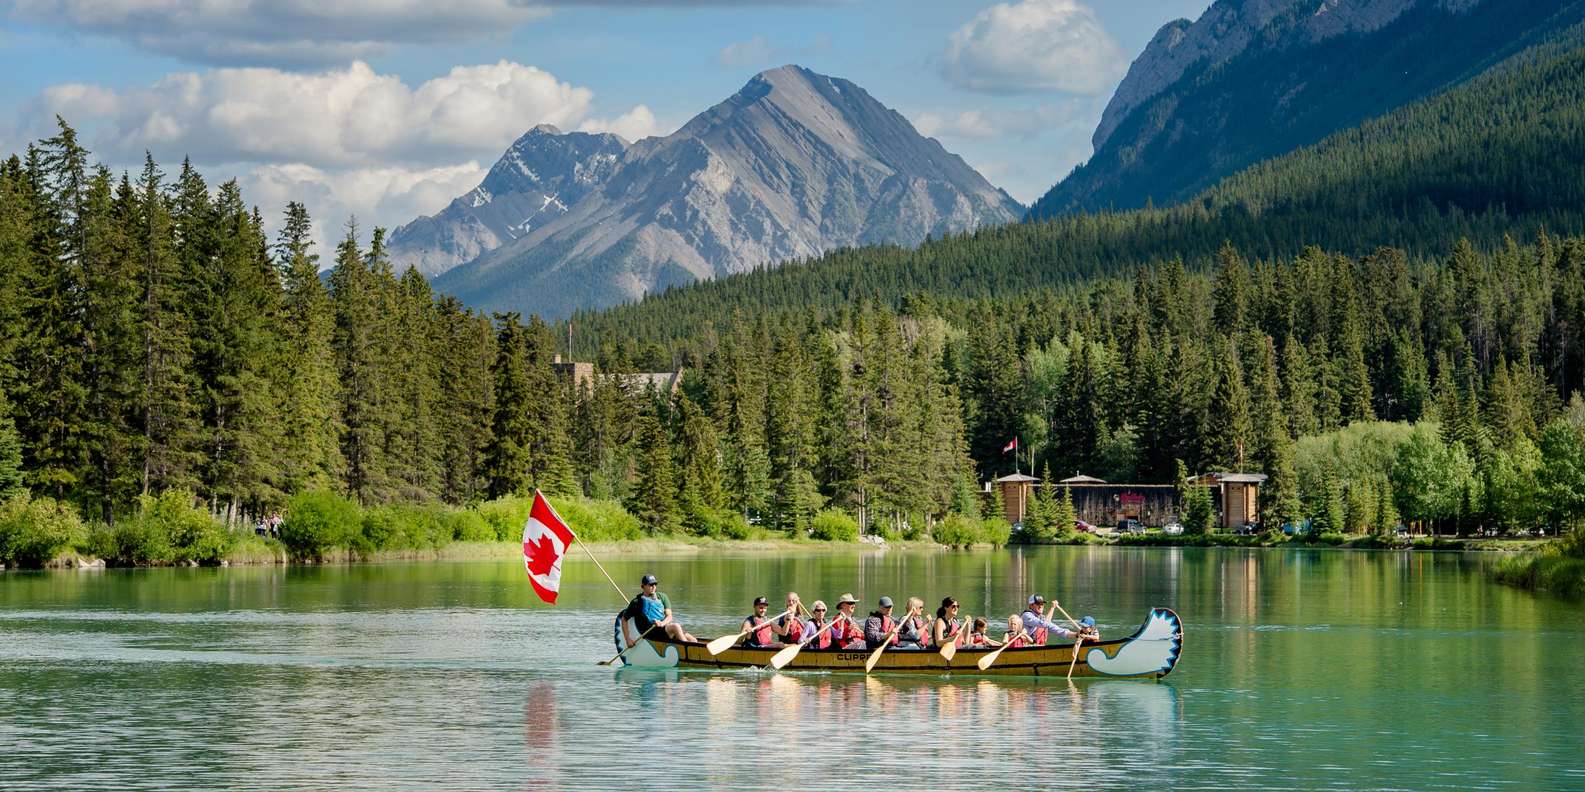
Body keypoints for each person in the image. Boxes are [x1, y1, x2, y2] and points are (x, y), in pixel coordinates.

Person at [622, 573, 696, 646]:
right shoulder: (636, 602)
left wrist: (662, 623)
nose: (653, 587)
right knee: (676, 626)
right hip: (650, 632)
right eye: (650, 585)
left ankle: (688, 647)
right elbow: (624, 619)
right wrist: (627, 639)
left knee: (693, 640)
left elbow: (669, 616)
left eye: (655, 584)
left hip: (664, 627)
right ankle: (688, 649)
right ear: (643, 586)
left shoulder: (662, 597)